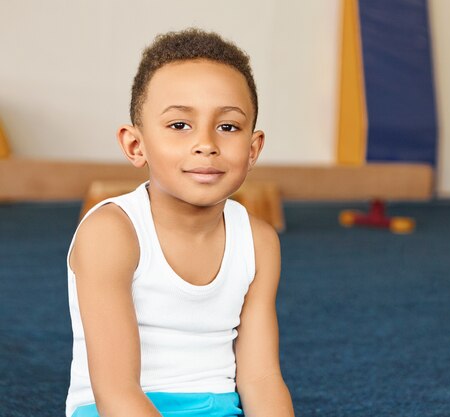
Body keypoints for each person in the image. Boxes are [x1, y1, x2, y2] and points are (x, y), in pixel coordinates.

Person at [65, 28, 295, 417]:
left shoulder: (259, 241)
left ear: (253, 149)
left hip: (217, 407)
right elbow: (116, 392)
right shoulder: (111, 232)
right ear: (135, 145)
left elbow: (260, 378)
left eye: (228, 127)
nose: (206, 143)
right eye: (179, 125)